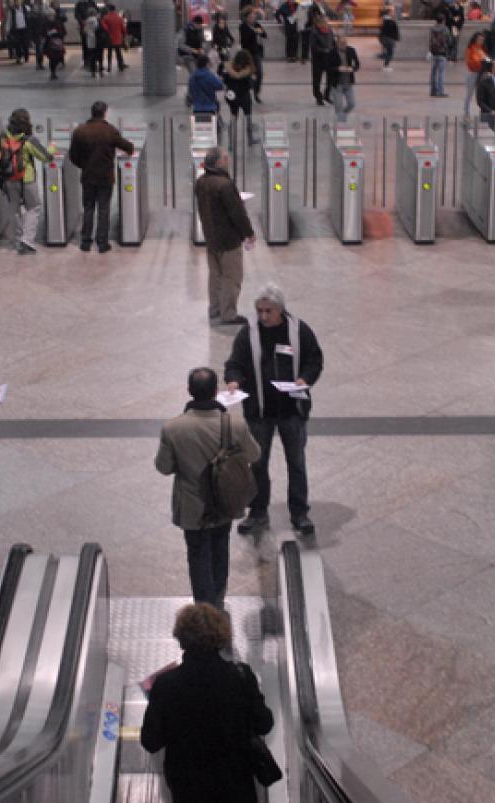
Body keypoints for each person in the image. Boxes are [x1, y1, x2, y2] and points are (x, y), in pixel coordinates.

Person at [140, 603, 275, 803]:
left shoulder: (165, 684)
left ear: (181, 639)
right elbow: (264, 724)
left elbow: (150, 741)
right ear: (220, 637)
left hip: (188, 788)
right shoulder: (241, 676)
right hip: (236, 785)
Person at [155, 370, 261, 606]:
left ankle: (204, 607)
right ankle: (218, 601)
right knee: (220, 549)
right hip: (224, 501)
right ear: (215, 391)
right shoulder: (234, 424)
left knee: (197, 556)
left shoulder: (172, 428)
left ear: (189, 391)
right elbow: (254, 455)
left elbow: (164, 467)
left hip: (192, 506)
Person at [224, 284, 323, 538]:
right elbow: (235, 363)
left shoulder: (299, 330)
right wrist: (233, 380)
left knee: (296, 463)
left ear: (280, 309)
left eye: (269, 311)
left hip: (292, 410)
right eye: (260, 311)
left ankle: (299, 513)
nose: (264, 316)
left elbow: (314, 360)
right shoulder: (248, 333)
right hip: (260, 411)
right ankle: (258, 512)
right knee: (257, 463)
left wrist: (304, 379)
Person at [195, 148, 254, 325]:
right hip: (229, 240)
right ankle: (228, 314)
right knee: (231, 277)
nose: (228, 161)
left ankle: (214, 309)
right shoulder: (225, 185)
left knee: (215, 276)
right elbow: (237, 213)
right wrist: (249, 233)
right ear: (219, 162)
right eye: (226, 158)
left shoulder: (200, 182)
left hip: (211, 237)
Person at [70, 101, 135, 252]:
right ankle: (102, 243)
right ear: (104, 113)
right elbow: (127, 147)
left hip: (88, 176)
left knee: (88, 208)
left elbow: (73, 156)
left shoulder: (80, 131)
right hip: (105, 177)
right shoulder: (110, 130)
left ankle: (85, 242)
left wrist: (84, 166)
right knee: (103, 209)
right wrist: (130, 149)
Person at [0, 108, 50, 255]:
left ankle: (18, 240)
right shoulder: (29, 140)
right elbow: (45, 157)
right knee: (34, 207)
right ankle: (27, 240)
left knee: (14, 210)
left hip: (9, 178)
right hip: (27, 179)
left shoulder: (3, 137)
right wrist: (52, 149)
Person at [223, 50, 258, 146]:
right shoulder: (249, 69)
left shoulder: (228, 68)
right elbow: (252, 84)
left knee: (233, 116)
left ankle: (231, 142)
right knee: (248, 117)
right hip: (244, 96)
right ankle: (250, 139)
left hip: (231, 96)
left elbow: (224, 80)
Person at [327, 34, 359, 123]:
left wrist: (353, 68)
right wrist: (338, 69)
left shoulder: (351, 50)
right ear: (337, 43)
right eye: (342, 43)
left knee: (351, 104)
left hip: (348, 82)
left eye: (345, 43)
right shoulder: (332, 53)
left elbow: (357, 64)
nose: (344, 45)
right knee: (339, 106)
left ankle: (342, 115)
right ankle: (341, 123)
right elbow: (328, 67)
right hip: (337, 84)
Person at [239, 8, 266, 101]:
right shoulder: (243, 26)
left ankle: (256, 92)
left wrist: (261, 32)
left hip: (256, 52)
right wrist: (254, 32)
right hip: (247, 53)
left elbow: (265, 35)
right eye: (250, 16)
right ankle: (245, 91)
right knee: (247, 74)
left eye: (253, 15)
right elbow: (244, 40)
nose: (253, 17)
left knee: (259, 73)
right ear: (246, 17)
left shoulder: (256, 24)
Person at [461, 31, 487, 117]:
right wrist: (481, 63)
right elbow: (470, 62)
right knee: (469, 94)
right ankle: (466, 111)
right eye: (479, 39)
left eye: (482, 40)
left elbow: (486, 60)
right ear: (475, 39)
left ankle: (484, 111)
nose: (481, 41)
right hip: (472, 73)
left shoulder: (481, 49)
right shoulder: (471, 49)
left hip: (481, 73)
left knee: (482, 94)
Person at [310, 16, 334, 105]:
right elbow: (314, 47)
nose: (327, 23)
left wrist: (334, 50)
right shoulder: (314, 32)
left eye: (327, 22)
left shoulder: (330, 31)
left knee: (331, 78)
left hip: (329, 59)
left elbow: (333, 42)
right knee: (317, 80)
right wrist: (324, 50)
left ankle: (327, 95)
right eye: (325, 22)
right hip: (318, 60)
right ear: (319, 24)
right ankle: (318, 97)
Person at [428, 15, 451, 98]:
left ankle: (433, 91)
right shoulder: (445, 29)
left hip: (434, 52)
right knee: (441, 73)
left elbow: (430, 40)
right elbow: (449, 40)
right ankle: (440, 91)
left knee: (433, 72)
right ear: (443, 20)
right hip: (442, 53)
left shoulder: (432, 29)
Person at [101, 4, 128, 72]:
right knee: (118, 52)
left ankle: (109, 67)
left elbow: (104, 27)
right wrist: (123, 36)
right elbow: (124, 29)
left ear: (109, 9)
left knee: (109, 53)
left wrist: (109, 33)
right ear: (114, 9)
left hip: (109, 38)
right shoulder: (119, 18)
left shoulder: (105, 18)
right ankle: (120, 66)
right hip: (118, 38)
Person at [83, 10, 104, 76]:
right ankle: (100, 70)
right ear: (94, 13)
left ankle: (93, 71)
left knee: (91, 56)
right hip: (97, 40)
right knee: (99, 55)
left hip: (89, 40)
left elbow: (85, 31)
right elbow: (97, 28)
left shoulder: (86, 21)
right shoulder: (96, 20)